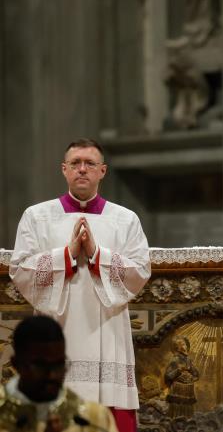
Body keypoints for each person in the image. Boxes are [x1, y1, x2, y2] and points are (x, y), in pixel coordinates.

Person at [10, 138, 151, 432]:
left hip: (107, 330)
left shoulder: (125, 219)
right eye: (75, 163)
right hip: (57, 330)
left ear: (103, 171)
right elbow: (20, 269)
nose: (82, 169)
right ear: (64, 169)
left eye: (90, 163)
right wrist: (67, 254)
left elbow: (140, 271)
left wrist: (97, 254)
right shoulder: (37, 216)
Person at [0, 315, 119, 432]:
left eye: (59, 365)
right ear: (16, 364)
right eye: (41, 366)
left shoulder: (93, 417)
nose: (52, 375)